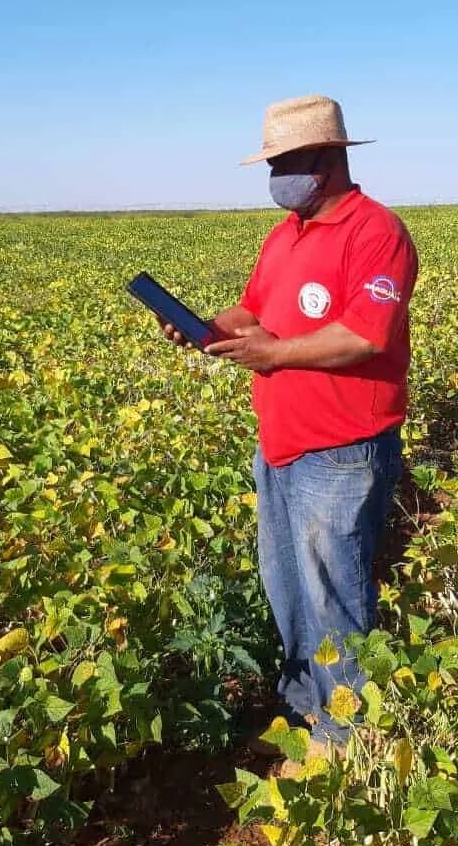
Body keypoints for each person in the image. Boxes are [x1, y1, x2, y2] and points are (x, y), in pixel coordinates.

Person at [160, 94, 418, 756]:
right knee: (289, 588)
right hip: (279, 443)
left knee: (336, 595)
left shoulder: (376, 232)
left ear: (327, 159)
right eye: (272, 163)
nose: (276, 177)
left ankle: (350, 736)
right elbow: (252, 311)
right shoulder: (286, 236)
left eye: (287, 162)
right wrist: (209, 330)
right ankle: (308, 703)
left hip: (340, 451)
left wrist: (273, 354)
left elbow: (367, 334)